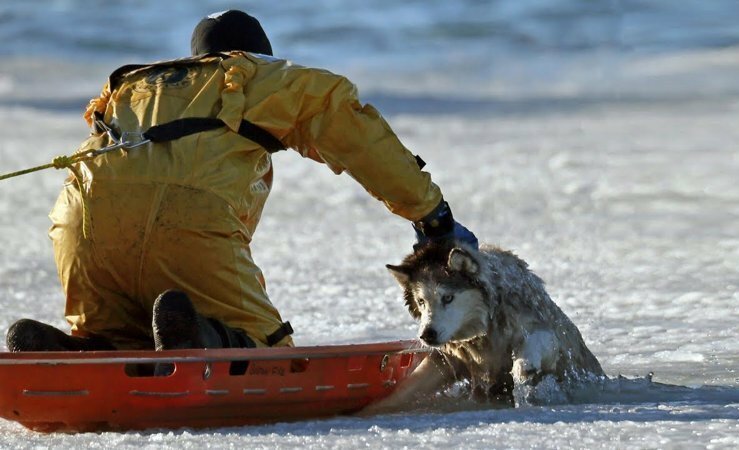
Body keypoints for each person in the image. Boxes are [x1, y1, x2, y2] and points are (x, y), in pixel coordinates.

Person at [5, 10, 477, 353]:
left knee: (127, 334)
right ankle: (205, 339)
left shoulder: (133, 86)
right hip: (187, 223)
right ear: (256, 53)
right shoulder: (257, 75)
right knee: (266, 350)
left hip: (80, 226)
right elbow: (354, 133)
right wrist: (431, 215)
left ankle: (85, 350)